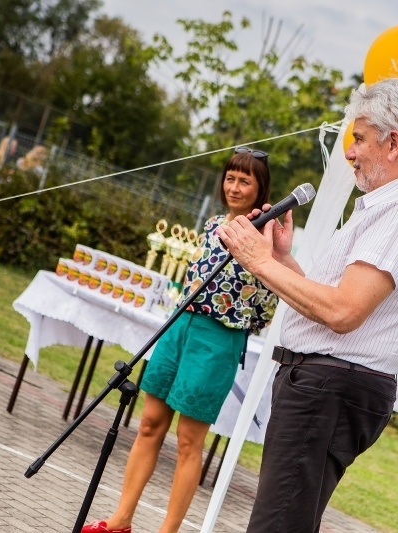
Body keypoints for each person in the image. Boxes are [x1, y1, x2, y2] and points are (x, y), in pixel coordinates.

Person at [216, 77, 398, 533]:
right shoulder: (394, 205)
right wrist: (280, 259)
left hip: (329, 386)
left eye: (359, 139)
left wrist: (258, 261)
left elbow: (343, 313)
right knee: (285, 520)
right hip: (326, 383)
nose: (350, 152)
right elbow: (330, 306)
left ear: (393, 142)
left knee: (277, 526)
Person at [82, 147, 279, 533]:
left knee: (189, 442)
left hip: (217, 340)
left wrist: (234, 323)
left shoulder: (263, 235)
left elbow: (268, 304)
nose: (234, 187)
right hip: (178, 326)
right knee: (149, 423)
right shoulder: (212, 224)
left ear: (260, 188)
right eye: (230, 178)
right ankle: (121, 520)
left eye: (244, 181)